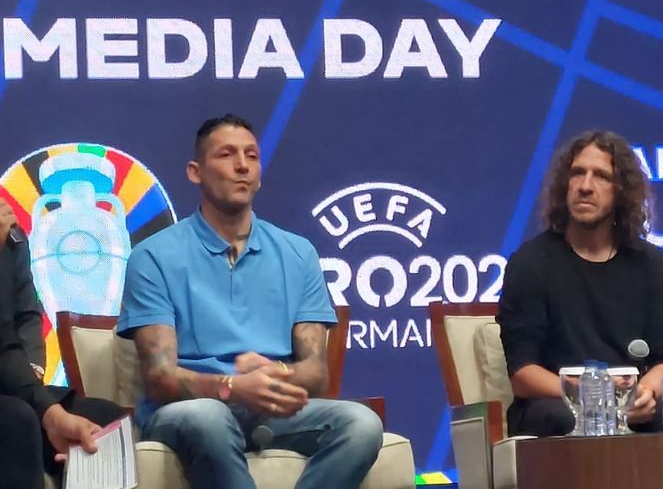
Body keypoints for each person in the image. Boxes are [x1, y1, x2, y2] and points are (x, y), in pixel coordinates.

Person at [117, 114, 383, 489]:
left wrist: (279, 374)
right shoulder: (153, 256)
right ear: (196, 172)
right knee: (208, 417)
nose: (242, 165)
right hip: (187, 412)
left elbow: (316, 374)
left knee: (361, 424)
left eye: (252, 156)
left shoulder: (297, 253)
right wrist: (232, 387)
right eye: (226, 154)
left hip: (272, 409)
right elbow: (160, 378)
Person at [497, 130, 663, 488]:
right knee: (560, 421)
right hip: (560, 405)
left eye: (601, 176)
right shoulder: (530, 264)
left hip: (632, 405)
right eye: (577, 173)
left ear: (621, 192)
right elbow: (523, 374)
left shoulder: (652, 264)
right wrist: (595, 401)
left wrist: (643, 392)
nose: (585, 185)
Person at [0, 198, 124, 489]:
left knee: (103, 420)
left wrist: (31, 377)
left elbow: (25, 317)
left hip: (11, 377)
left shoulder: (11, 236)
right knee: (16, 421)